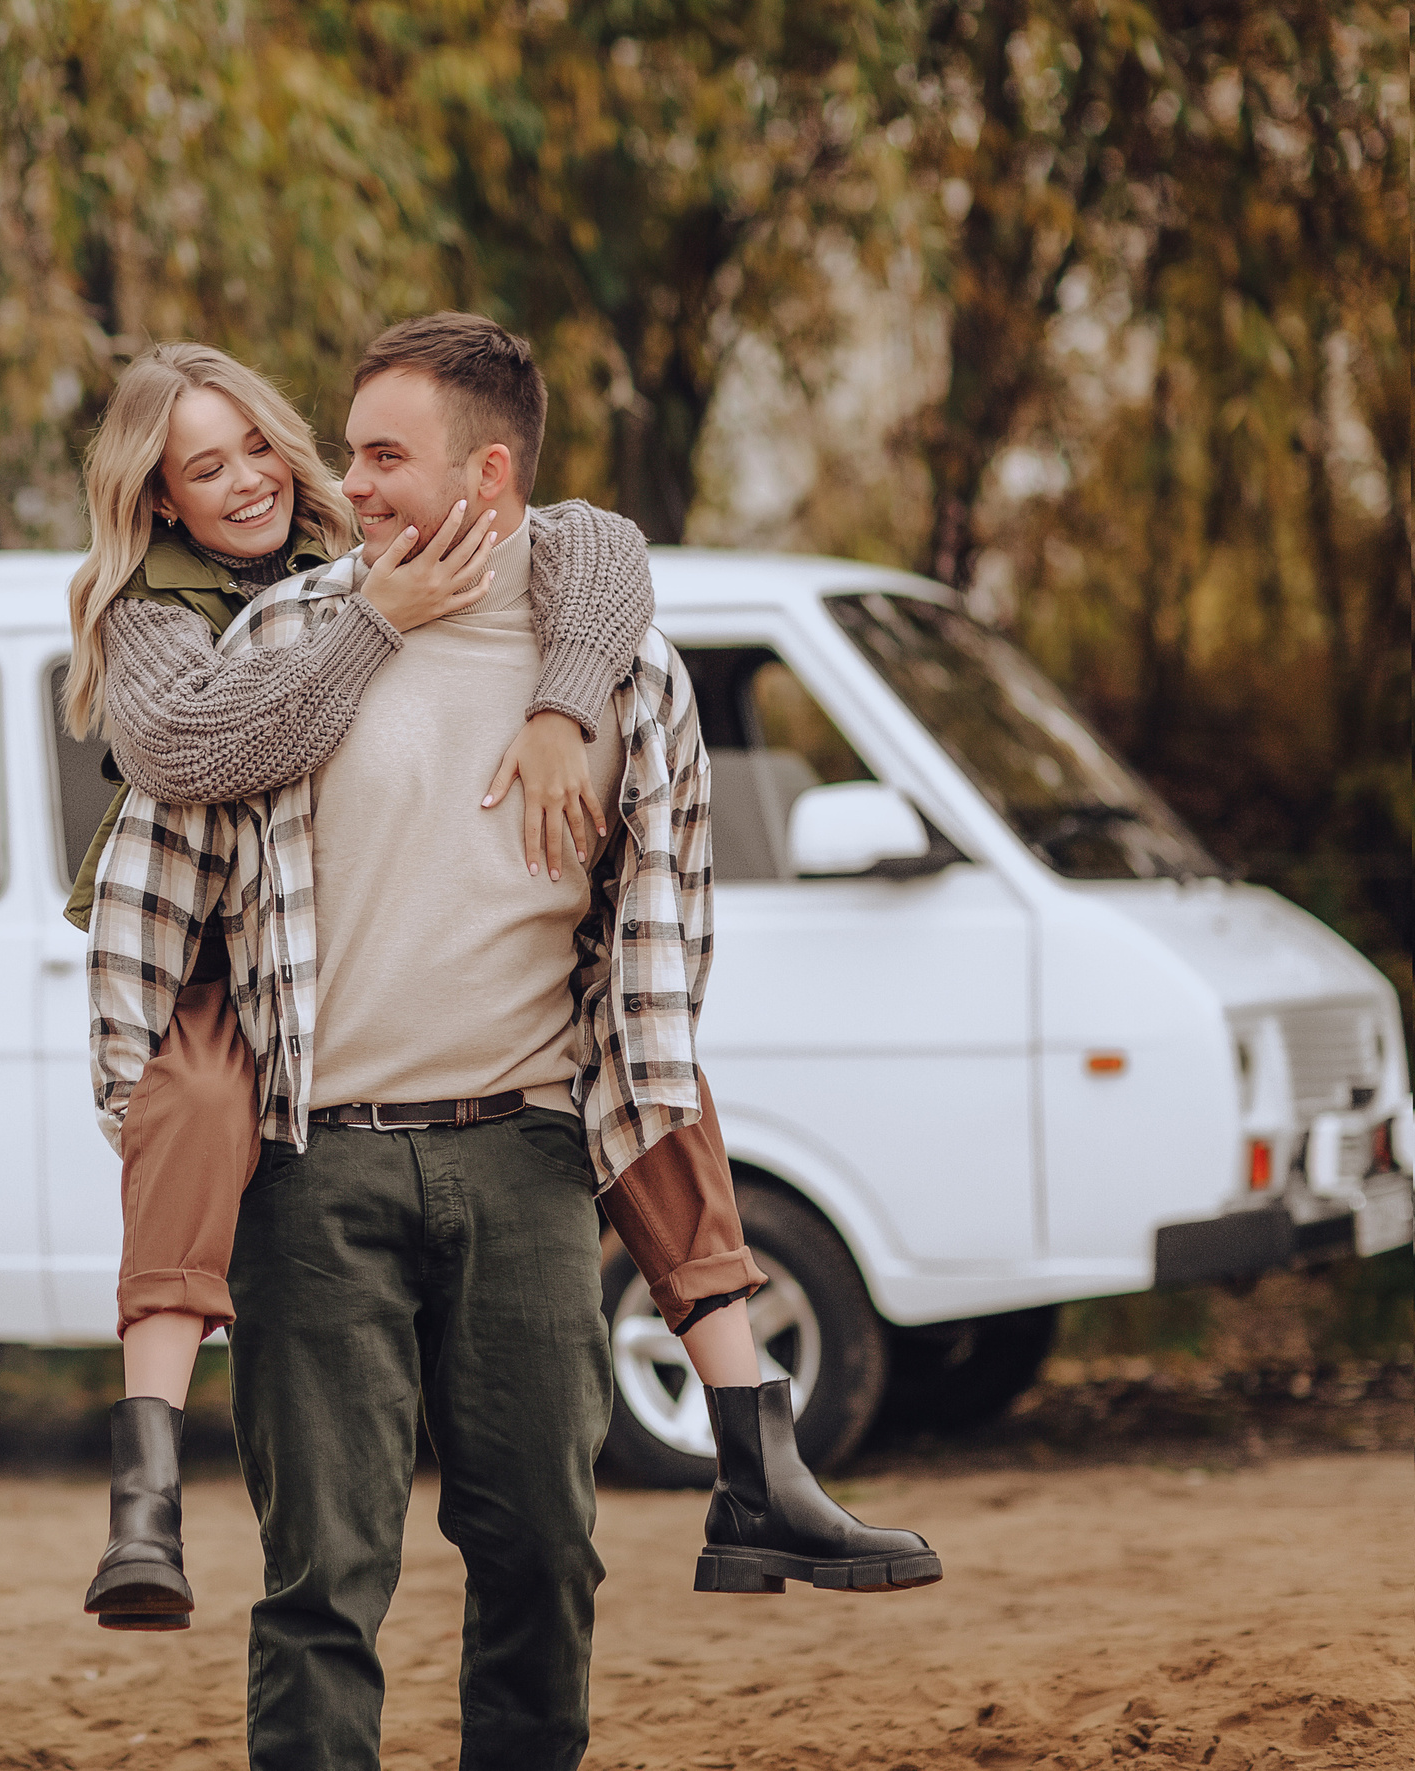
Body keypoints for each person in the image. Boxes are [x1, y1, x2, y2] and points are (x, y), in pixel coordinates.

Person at [87, 315, 938, 1769]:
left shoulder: (629, 677)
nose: (342, 486)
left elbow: (661, 966)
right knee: (323, 1584)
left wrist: (564, 700)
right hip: (316, 1169)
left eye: (380, 454)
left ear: (487, 469)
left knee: (545, 1552)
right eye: (343, 450)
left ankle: (754, 1460)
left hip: (528, 1165)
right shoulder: (276, 642)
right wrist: (154, 1104)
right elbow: (148, 893)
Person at [57, 341, 660, 1628]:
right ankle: (143, 1484)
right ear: (158, 498)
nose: (247, 482)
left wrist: (560, 701)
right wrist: (375, 624)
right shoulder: (155, 613)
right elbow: (198, 744)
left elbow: (596, 544)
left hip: (471, 1069)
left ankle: (754, 1434)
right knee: (195, 1106)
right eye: (203, 469)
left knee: (662, 1064)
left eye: (261, 447)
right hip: (230, 959)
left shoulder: (356, 523)